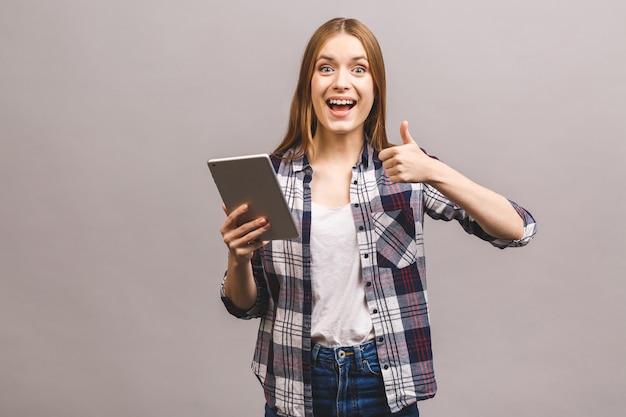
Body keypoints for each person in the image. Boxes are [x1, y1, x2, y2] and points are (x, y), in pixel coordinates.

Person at [218, 17, 537, 417]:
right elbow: (245, 306)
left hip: (382, 381)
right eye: (326, 67)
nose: (341, 81)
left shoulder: (404, 170)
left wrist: (435, 171)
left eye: (358, 68)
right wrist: (238, 258)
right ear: (309, 85)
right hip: (296, 384)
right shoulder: (271, 178)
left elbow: (519, 229)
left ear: (374, 87)